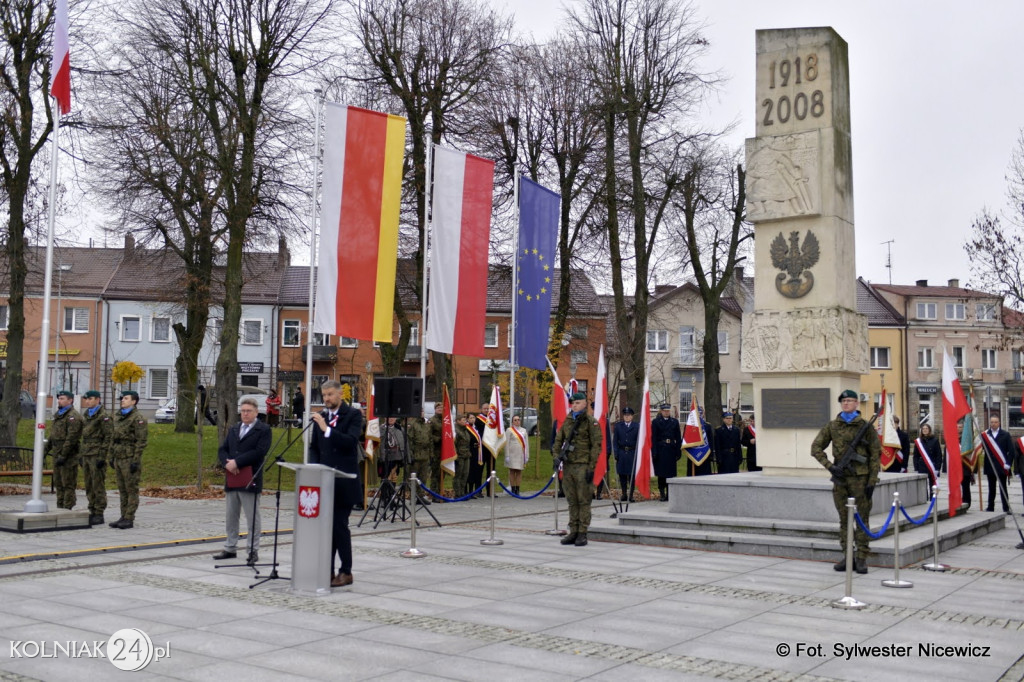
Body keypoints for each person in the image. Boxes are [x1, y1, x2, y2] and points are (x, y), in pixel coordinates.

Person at [811, 389, 880, 574]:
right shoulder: (833, 426)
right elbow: (815, 448)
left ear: (857, 403)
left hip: (861, 479)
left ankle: (862, 557)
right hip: (841, 479)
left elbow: (875, 455)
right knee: (844, 520)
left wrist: (872, 481)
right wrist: (830, 467)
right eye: (844, 401)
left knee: (862, 519)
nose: (846, 403)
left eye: (850, 400)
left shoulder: (865, 426)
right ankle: (847, 556)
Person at [308, 380, 363, 587]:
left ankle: (346, 571)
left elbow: (350, 442)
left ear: (340, 394)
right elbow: (314, 447)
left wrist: (327, 429)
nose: (327, 399)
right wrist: (313, 468)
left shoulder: (353, 415)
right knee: (326, 528)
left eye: (330, 394)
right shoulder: (321, 417)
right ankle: (327, 570)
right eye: (324, 395)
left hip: (344, 481)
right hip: (325, 481)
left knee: (339, 526)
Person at [214, 398, 271, 565]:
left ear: (256, 412)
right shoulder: (234, 428)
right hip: (232, 477)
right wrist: (227, 463)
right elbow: (223, 449)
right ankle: (230, 547)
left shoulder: (263, 430)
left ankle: (252, 550)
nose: (245, 414)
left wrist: (237, 462)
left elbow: (259, 452)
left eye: (248, 411)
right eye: (243, 411)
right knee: (231, 515)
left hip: (250, 477)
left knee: (252, 516)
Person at [552, 391, 602, 546]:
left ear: (585, 404)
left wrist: (591, 467)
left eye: (577, 403)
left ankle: (582, 532)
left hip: (583, 465)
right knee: (572, 500)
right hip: (568, 465)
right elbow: (558, 440)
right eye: (573, 403)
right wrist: (556, 457)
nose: (574, 405)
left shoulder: (591, 422)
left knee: (583, 500)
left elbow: (596, 446)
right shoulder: (567, 421)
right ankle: (573, 530)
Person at [109, 391, 149, 529]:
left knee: (131, 489)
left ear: (134, 401)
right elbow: (113, 437)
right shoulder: (118, 416)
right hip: (118, 456)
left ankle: (129, 517)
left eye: (126, 398)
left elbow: (141, 441)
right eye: (122, 398)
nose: (122, 400)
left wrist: (135, 460)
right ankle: (123, 515)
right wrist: (111, 456)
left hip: (129, 457)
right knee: (122, 489)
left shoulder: (138, 418)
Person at [79, 389, 112, 525]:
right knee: (89, 484)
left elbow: (108, 437)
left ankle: (99, 512)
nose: (88, 401)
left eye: (90, 399)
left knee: (97, 484)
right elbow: (84, 437)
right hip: (87, 453)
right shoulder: (87, 414)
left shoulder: (103, 416)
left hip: (96, 454)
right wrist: (81, 454)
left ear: (98, 400)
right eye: (86, 399)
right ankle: (92, 509)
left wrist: (102, 456)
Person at [46, 390, 83, 510]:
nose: (59, 401)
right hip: (57, 454)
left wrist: (63, 455)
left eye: (62, 399)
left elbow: (71, 438)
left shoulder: (73, 416)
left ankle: (67, 508)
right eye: (59, 398)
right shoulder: (59, 415)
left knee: (68, 483)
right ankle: (60, 507)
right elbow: (53, 435)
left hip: (68, 456)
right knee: (58, 483)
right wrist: (45, 451)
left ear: (70, 400)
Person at [981, 415, 1012, 513]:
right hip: (990, 465)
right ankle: (990, 507)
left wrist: (1008, 463)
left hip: (1002, 466)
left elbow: (1011, 451)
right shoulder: (985, 435)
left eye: (995, 422)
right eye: (992, 422)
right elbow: (981, 448)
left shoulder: (1005, 434)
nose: (993, 424)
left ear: (999, 423)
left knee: (1003, 488)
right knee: (991, 488)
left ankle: (1006, 508)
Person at [650, 403, 681, 501]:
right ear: (661, 411)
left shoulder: (674, 422)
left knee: (670, 474)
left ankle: (669, 493)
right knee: (661, 474)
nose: (666, 412)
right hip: (661, 449)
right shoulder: (656, 422)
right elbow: (653, 438)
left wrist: (678, 451)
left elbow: (678, 438)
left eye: (668, 410)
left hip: (671, 449)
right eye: (664, 411)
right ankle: (662, 493)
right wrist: (654, 451)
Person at [405, 411, 433, 504]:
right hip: (416, 454)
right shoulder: (412, 424)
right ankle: (413, 496)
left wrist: (431, 454)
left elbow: (430, 439)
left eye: (422, 412)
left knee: (423, 477)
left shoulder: (426, 424)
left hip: (425, 454)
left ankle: (420, 496)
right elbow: (409, 440)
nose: (421, 413)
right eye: (420, 411)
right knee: (413, 477)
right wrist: (410, 455)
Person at [613, 407, 639, 501]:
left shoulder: (637, 426)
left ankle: (631, 495)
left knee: (631, 475)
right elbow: (615, 441)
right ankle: (624, 494)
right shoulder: (618, 426)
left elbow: (639, 441)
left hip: (632, 453)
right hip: (622, 453)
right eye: (625, 415)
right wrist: (616, 453)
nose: (627, 417)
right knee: (622, 475)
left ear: (632, 416)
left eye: (628, 415)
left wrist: (638, 454)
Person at [505, 414, 529, 495]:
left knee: (519, 471)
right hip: (512, 454)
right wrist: (507, 455)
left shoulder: (524, 431)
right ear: (512, 422)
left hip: (520, 454)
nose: (517, 421)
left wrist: (527, 455)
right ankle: (513, 489)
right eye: (515, 420)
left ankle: (517, 489)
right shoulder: (509, 430)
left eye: (518, 419)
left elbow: (526, 444)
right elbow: (506, 443)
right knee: (512, 471)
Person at [913, 423, 942, 487]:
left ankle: (932, 494)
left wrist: (937, 468)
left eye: (926, 428)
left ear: (929, 430)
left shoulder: (935, 440)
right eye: (923, 429)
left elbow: (938, 455)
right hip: (922, 466)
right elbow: (915, 456)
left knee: (933, 485)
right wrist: (916, 468)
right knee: (922, 486)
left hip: (932, 465)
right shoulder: (918, 441)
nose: (925, 430)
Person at [454, 413, 473, 497]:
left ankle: (462, 491)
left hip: (466, 454)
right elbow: (454, 444)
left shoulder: (465, 430)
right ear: (458, 421)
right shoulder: (456, 430)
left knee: (465, 474)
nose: (465, 421)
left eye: (465, 420)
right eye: (463, 420)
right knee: (458, 474)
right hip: (459, 455)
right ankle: (457, 493)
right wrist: (456, 455)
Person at [428, 403, 444, 494]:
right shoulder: (432, 420)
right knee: (435, 472)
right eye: (438, 408)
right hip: (435, 449)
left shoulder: (446, 420)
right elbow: (429, 435)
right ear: (435, 409)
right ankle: (434, 492)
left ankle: (440, 491)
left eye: (441, 407)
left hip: (444, 450)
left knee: (442, 472)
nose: (440, 409)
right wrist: (438, 439)